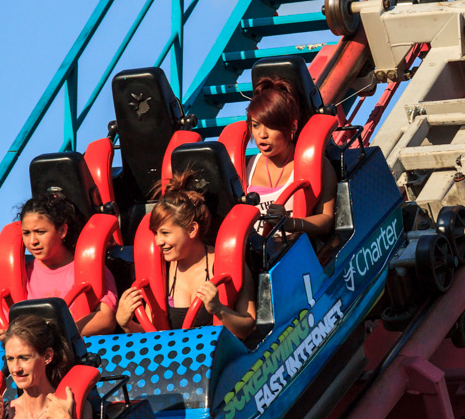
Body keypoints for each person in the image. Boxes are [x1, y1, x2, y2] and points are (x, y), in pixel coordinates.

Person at [115, 172, 256, 338]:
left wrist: (219, 310)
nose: (158, 241)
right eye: (155, 233)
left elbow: (249, 328)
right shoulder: (161, 273)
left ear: (191, 230)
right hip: (177, 361)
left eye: (165, 233)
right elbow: (153, 339)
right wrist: (127, 324)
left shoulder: (228, 266)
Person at [0, 195, 118, 341]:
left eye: (40, 232)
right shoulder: (21, 274)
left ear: (62, 231)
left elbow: (106, 319)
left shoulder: (91, 269)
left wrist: (55, 335)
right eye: (26, 233)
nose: (33, 241)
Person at [245, 76, 335, 238]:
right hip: (256, 256)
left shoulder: (316, 165)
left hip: (294, 251)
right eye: (256, 125)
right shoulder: (245, 167)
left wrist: (290, 223)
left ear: (293, 126)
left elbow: (327, 220)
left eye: (271, 126)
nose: (262, 135)